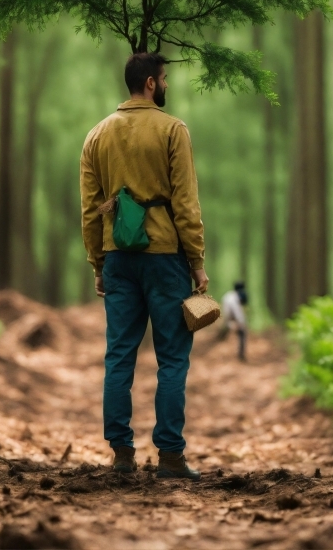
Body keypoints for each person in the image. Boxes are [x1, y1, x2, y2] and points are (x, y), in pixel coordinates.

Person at [80, 52, 209, 481]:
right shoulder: (173, 130)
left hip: (118, 256)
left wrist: (98, 263)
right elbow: (186, 204)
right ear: (151, 83)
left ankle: (120, 455)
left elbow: (90, 210)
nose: (168, 84)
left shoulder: (96, 136)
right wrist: (197, 263)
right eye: (165, 79)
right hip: (164, 257)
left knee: (119, 356)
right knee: (172, 359)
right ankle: (170, 457)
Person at [221, 281, 248, 361]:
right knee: (243, 333)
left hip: (226, 320)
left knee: (224, 333)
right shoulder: (236, 298)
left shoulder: (228, 295)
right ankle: (241, 355)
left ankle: (218, 341)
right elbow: (238, 313)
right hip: (231, 321)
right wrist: (241, 324)